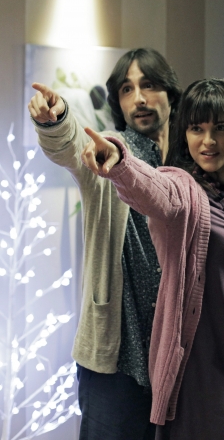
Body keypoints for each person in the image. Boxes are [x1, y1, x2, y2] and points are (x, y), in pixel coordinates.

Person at [80, 78, 224, 439]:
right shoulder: (183, 190)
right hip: (202, 379)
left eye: (221, 128)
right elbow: (152, 189)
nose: (208, 141)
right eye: (197, 128)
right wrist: (119, 161)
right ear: (184, 135)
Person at [28, 48, 181, 440]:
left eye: (149, 85)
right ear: (118, 102)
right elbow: (71, 146)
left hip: (177, 357)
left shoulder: (188, 163)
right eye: (127, 89)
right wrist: (56, 119)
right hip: (115, 358)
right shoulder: (110, 153)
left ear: (170, 93)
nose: (139, 98)